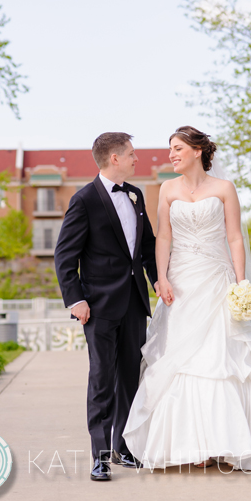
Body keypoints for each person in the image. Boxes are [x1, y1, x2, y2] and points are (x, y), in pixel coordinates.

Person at [123, 126, 251, 471]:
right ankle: (195, 446)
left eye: (176, 148)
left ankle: (230, 445)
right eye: (169, 149)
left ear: (197, 150)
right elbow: (163, 239)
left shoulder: (224, 189)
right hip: (182, 282)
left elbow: (235, 238)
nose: (170, 154)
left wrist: (240, 282)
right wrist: (161, 278)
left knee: (223, 359)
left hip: (218, 280)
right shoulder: (167, 189)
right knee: (181, 360)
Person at [54, 132, 158, 482]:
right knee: (102, 377)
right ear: (114, 158)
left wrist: (158, 280)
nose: (135, 159)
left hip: (133, 301)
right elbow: (65, 255)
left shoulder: (136, 194)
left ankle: (122, 448)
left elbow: (146, 246)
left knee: (129, 376)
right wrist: (76, 299)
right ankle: (98, 456)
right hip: (97, 305)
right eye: (131, 154)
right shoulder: (84, 200)